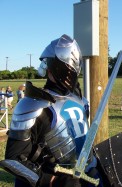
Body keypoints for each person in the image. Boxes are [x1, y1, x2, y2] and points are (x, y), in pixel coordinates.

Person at [2, 34, 103, 187]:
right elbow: (14, 159)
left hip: (87, 176)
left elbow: (82, 140)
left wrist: (93, 164)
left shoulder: (81, 101)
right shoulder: (32, 105)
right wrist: (50, 180)